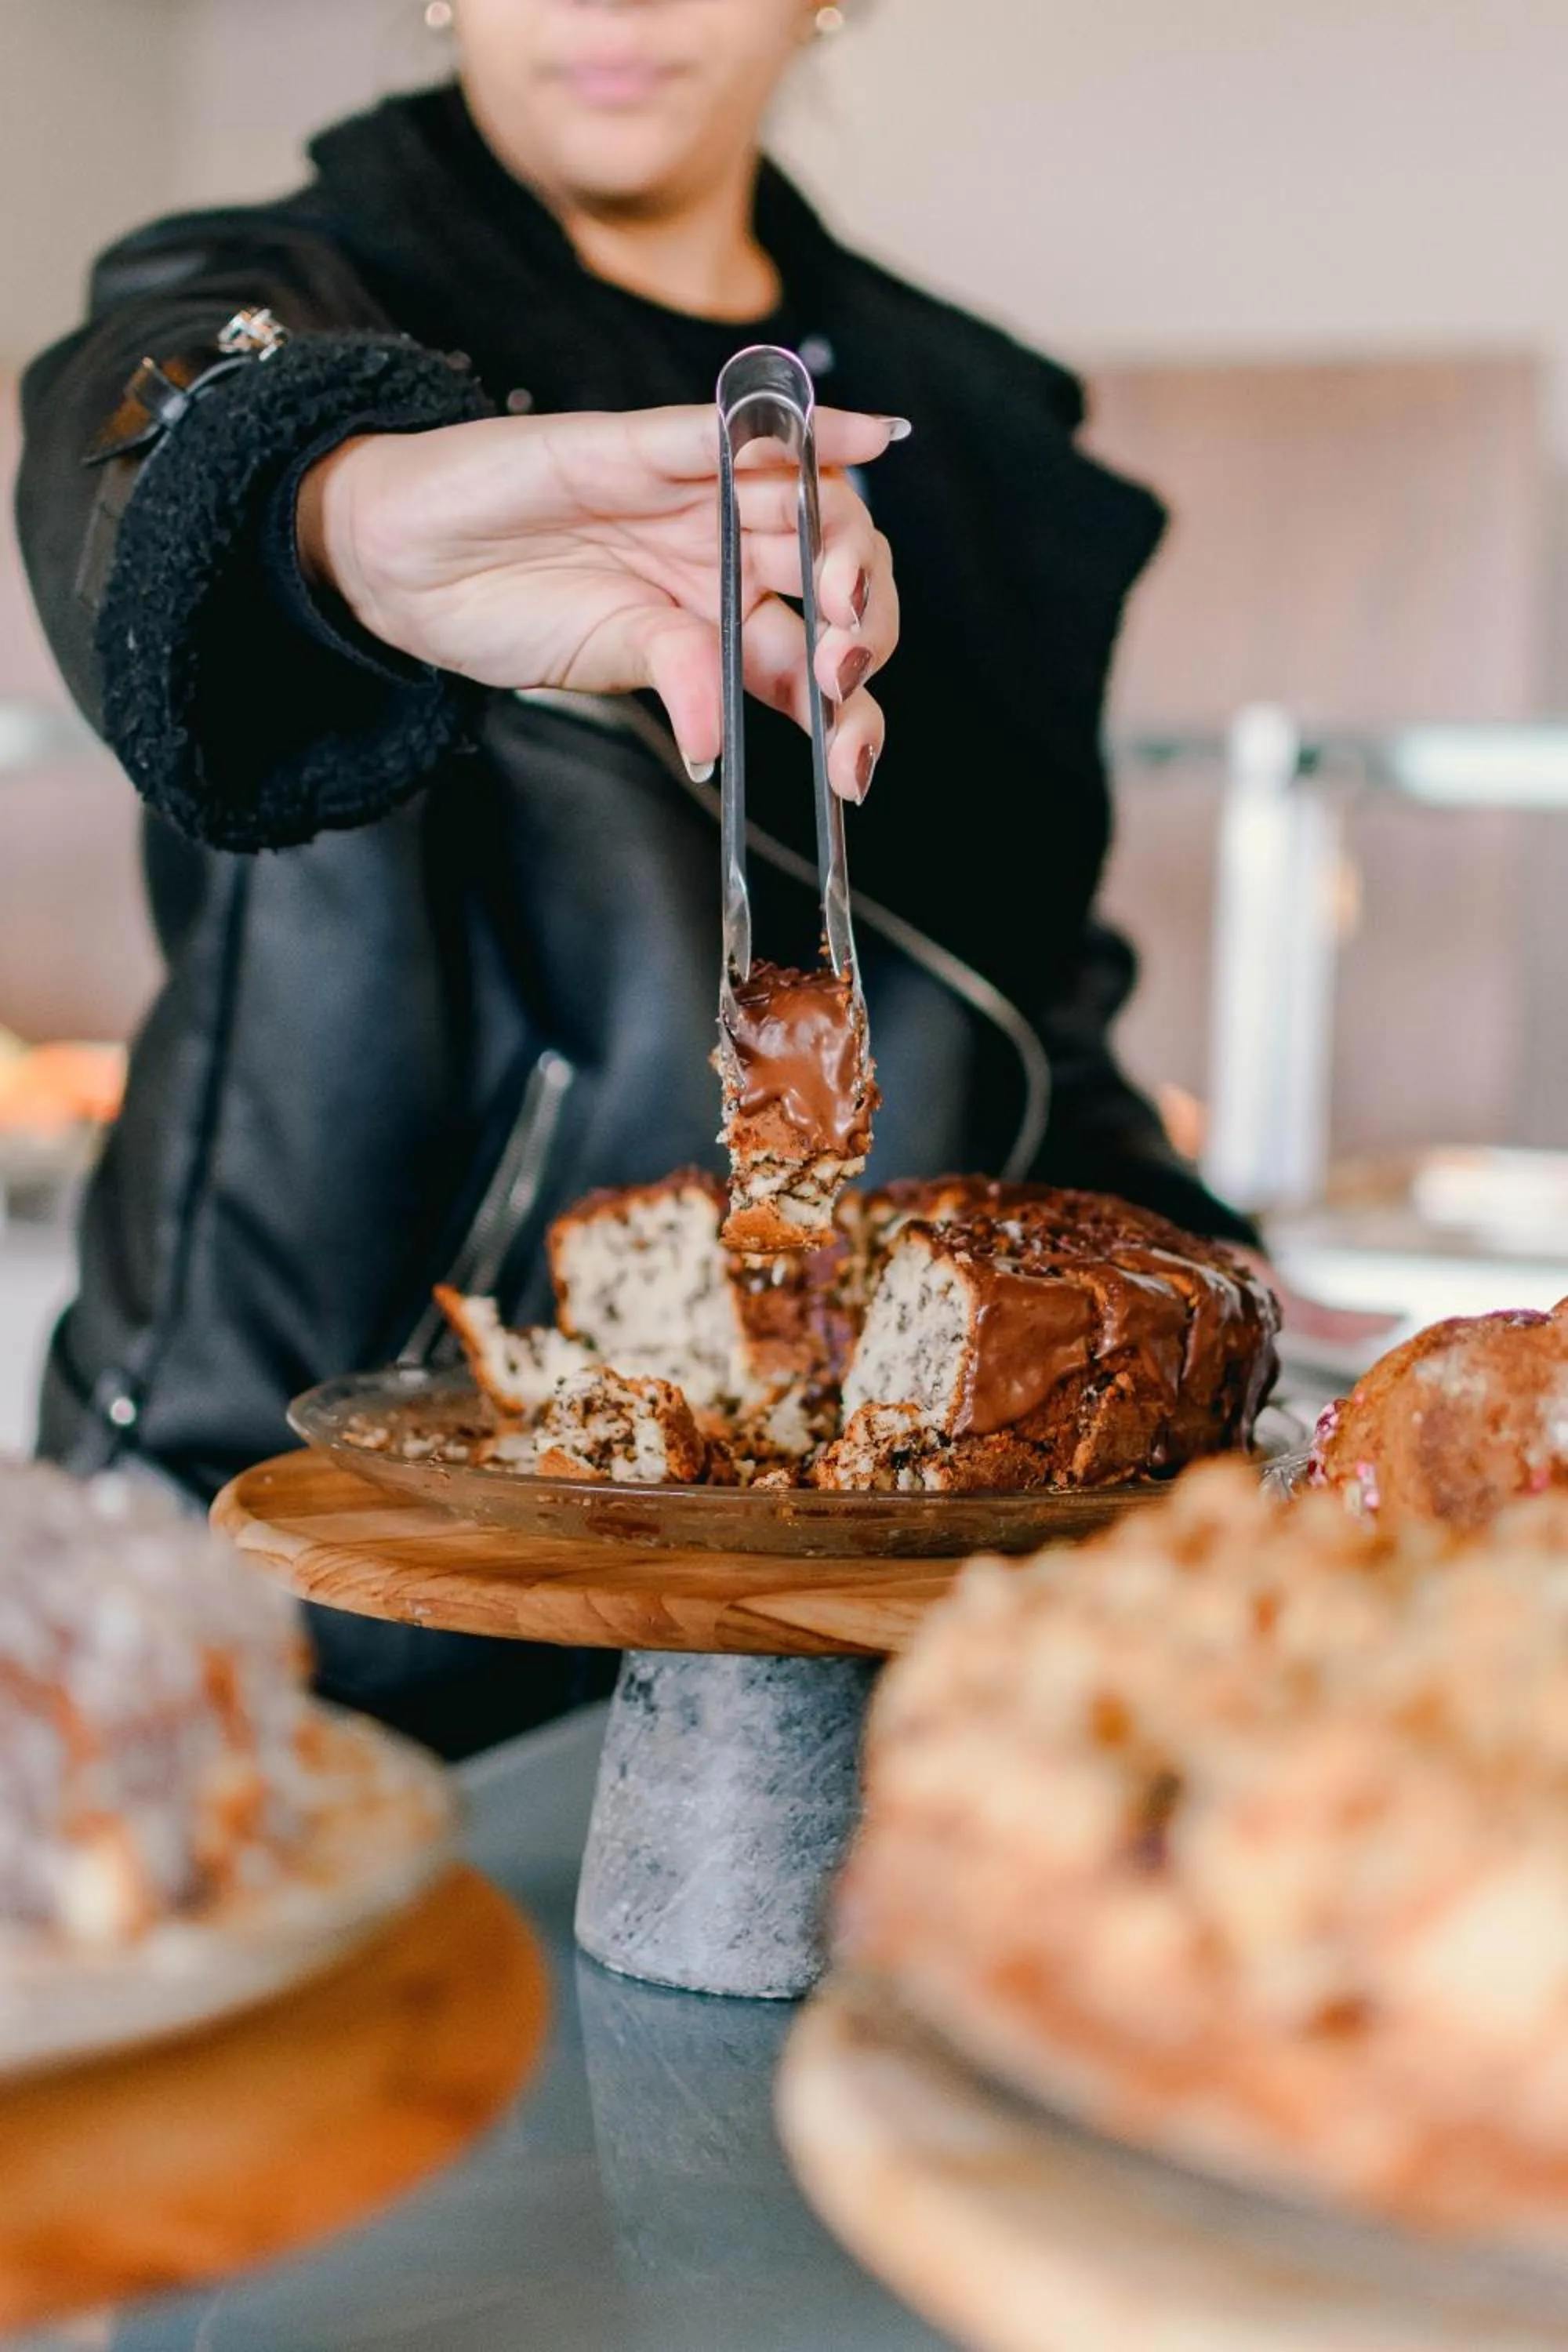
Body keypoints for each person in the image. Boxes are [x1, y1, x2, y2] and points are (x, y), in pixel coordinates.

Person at [17, 0, 1259, 1755]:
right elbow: (147, 405)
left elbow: (1028, 1005)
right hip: (290, 1544)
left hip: (812, 1605)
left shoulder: (973, 430)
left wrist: (1216, 1306)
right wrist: (339, 514)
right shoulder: (303, 287)